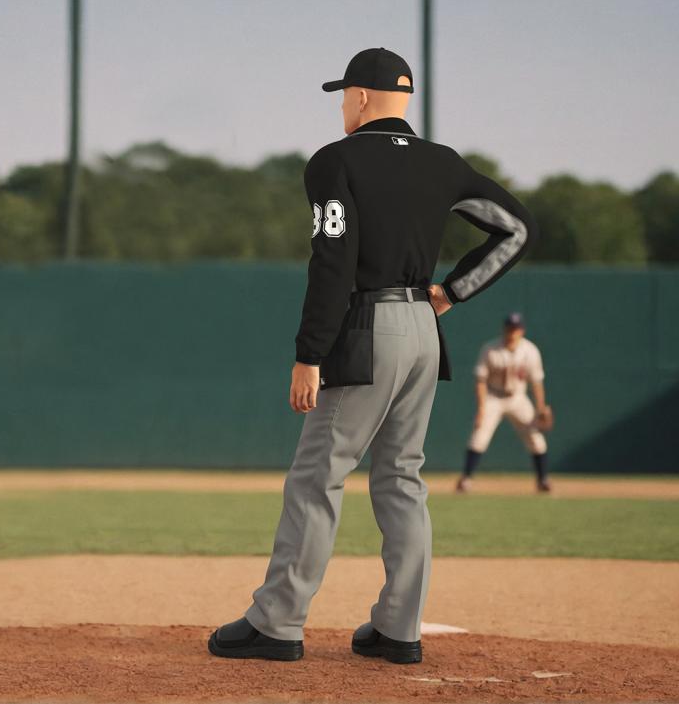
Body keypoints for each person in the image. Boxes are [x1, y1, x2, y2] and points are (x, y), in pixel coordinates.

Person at [208, 48, 536, 664]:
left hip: (367, 326)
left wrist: (310, 353)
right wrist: (453, 290)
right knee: (402, 479)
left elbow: (332, 261)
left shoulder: (335, 162)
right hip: (423, 328)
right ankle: (397, 629)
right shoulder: (444, 164)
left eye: (343, 96)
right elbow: (516, 228)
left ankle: (277, 624)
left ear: (360, 98)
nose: (341, 105)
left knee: (316, 476)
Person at [456, 313, 552, 494]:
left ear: (521, 330)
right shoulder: (490, 349)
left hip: (518, 398)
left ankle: (543, 480)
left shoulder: (530, 351)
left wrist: (540, 407)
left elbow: (536, 381)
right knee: (479, 437)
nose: (512, 332)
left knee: (536, 439)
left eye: (516, 328)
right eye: (510, 328)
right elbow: (481, 380)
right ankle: (466, 479)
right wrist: (481, 409)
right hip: (494, 396)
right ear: (504, 329)